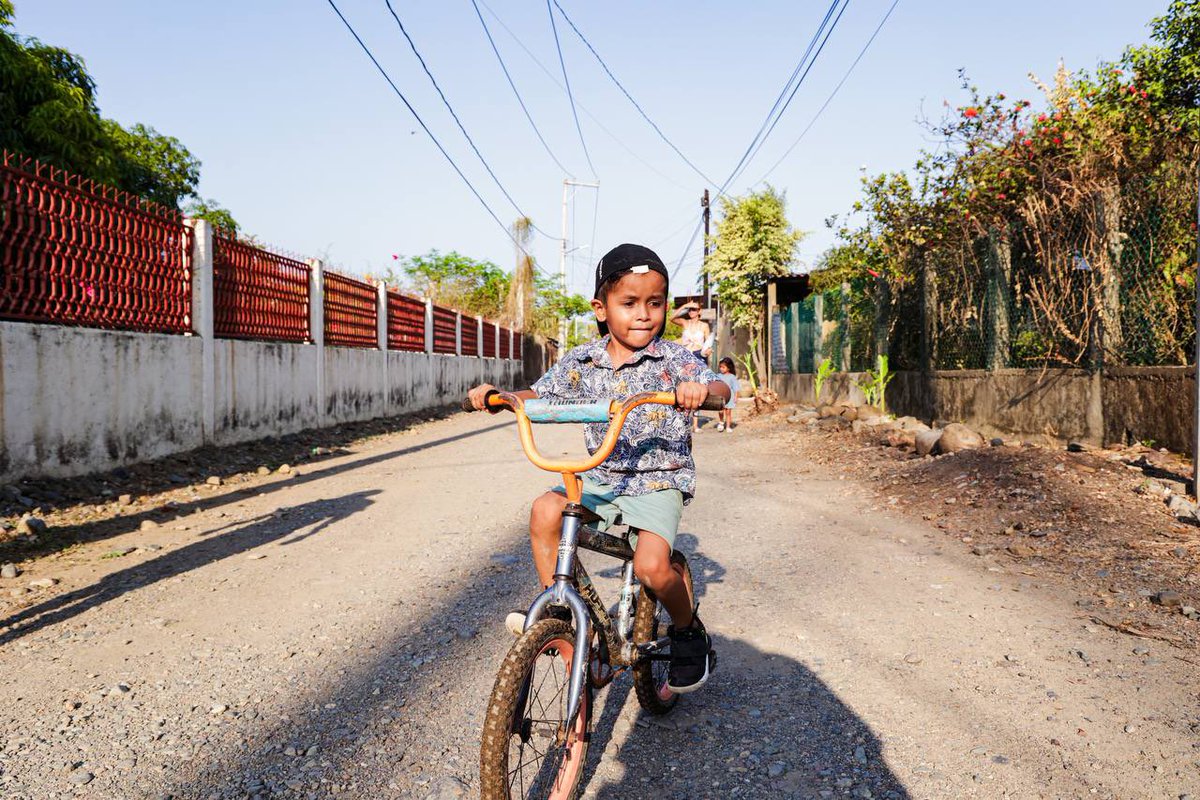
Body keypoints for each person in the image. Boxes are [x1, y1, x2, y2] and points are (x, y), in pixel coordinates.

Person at [468, 243, 730, 693]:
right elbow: (540, 395)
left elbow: (720, 389)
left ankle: (688, 629)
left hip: (657, 481)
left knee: (652, 568)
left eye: (655, 303)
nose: (644, 314)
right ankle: (562, 613)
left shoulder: (675, 359)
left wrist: (699, 392)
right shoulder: (582, 362)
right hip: (599, 478)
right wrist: (504, 398)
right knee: (545, 511)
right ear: (601, 308)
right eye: (629, 303)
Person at [672, 301, 712, 432]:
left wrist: (708, 352)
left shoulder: (704, 326)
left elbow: (708, 344)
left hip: (698, 356)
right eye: (690, 310)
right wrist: (684, 305)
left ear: (699, 311)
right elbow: (672, 317)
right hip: (684, 357)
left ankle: (695, 424)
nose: (691, 312)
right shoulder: (685, 323)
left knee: (698, 388)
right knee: (681, 386)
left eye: (694, 309)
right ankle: (682, 420)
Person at [714, 357, 740, 432]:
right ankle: (721, 422)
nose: (721, 369)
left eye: (723, 367)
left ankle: (728, 426)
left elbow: (736, 388)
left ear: (728, 368)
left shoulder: (732, 377)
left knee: (728, 412)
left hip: (730, 397)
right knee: (720, 411)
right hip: (720, 397)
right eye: (720, 367)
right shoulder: (718, 376)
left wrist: (736, 397)